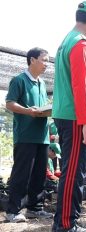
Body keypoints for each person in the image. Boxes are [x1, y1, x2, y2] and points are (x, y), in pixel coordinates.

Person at [51, 1, 86, 231]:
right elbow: (81, 85)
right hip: (76, 118)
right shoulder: (81, 44)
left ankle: (66, 222)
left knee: (71, 171)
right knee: (74, 173)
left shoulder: (66, 41)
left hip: (68, 115)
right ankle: (65, 224)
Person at [5, 47, 52, 222]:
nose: (47, 64)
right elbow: (10, 103)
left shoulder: (41, 83)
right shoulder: (19, 80)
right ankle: (13, 210)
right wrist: (28, 111)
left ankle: (35, 207)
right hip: (25, 136)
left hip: (42, 136)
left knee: (40, 174)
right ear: (32, 60)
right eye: (44, 59)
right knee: (21, 174)